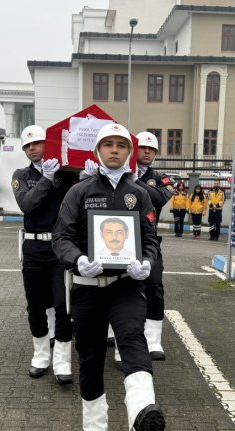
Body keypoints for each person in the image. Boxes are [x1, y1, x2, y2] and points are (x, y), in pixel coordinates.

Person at [53, 123, 165, 430]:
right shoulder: (79, 191)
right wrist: (77, 259)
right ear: (97, 151)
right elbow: (61, 236)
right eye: (108, 144)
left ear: (129, 152)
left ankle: (143, 412)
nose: (114, 149)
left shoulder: (139, 195)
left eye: (121, 145)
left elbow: (150, 238)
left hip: (125, 286)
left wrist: (146, 260)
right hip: (87, 288)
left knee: (132, 340)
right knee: (90, 360)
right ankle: (95, 426)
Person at [12, 124, 75, 384]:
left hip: (60, 247)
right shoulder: (21, 175)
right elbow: (27, 204)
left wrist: (87, 176)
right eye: (27, 146)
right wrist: (46, 180)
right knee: (36, 305)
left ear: (46, 144)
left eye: (36, 143)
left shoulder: (66, 174)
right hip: (34, 247)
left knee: (63, 305)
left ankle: (62, 360)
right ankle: (40, 355)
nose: (32, 149)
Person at [134, 131, 175, 362]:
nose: (147, 151)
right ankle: (112, 332)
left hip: (149, 242)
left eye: (152, 149)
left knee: (155, 288)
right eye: (143, 147)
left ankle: (153, 340)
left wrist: (133, 181)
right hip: (119, 242)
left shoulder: (162, 178)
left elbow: (160, 199)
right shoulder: (120, 173)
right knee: (116, 288)